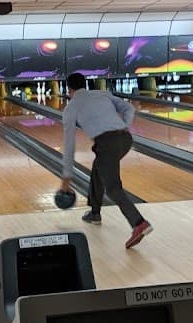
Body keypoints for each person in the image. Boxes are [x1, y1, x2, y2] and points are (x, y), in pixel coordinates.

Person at [58, 72, 152, 249]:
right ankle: (95, 212)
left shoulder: (70, 109)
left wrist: (66, 177)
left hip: (106, 144)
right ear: (85, 84)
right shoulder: (101, 94)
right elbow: (129, 108)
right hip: (125, 139)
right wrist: (123, 125)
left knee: (113, 187)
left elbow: (69, 145)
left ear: (68, 89)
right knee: (98, 167)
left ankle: (138, 223)